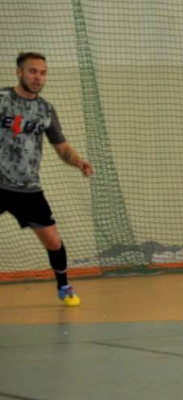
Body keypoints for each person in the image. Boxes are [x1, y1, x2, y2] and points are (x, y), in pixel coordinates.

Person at [1, 52, 94, 306]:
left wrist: (79, 161)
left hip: (28, 188)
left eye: (42, 73)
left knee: (53, 240)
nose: (38, 77)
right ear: (19, 72)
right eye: (32, 71)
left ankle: (64, 286)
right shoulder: (2, 99)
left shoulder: (45, 110)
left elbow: (62, 147)